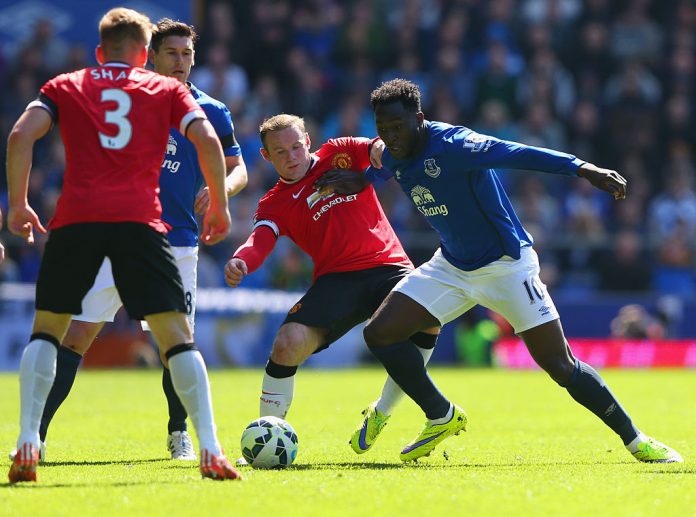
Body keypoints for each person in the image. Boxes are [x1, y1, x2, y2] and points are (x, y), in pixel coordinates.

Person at [348, 78, 682, 463]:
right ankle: (435, 414)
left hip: (507, 267)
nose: (390, 136)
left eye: (397, 126)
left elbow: (518, 153)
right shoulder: (393, 152)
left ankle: (637, 440)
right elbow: (380, 170)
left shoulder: (456, 145)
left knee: (560, 366)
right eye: (383, 128)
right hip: (451, 266)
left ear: (419, 118)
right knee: (379, 333)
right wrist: (356, 180)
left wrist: (582, 167)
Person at [6, 8, 241, 482]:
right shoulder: (163, 90)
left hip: (78, 222)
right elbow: (208, 141)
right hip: (140, 224)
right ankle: (211, 448)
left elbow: (20, 134)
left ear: (99, 52)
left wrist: (17, 205)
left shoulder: (68, 84)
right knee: (177, 338)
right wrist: (220, 204)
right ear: (144, 53)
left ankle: (28, 439)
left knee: (47, 332)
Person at [223, 113, 454, 458]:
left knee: (427, 319)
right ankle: (267, 439)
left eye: (296, 146)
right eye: (280, 152)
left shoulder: (340, 152)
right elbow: (260, 240)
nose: (291, 157)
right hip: (336, 280)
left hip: (389, 266)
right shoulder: (274, 202)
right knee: (287, 344)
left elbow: (379, 150)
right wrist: (241, 259)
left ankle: (391, 412)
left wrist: (375, 168)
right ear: (266, 156)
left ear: (307, 141)